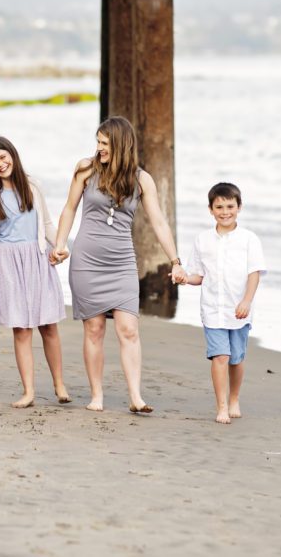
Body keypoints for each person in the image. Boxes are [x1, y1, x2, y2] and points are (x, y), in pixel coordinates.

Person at [51, 116, 184, 413]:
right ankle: (96, 395)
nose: (99, 149)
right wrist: (60, 244)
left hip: (122, 262)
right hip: (87, 260)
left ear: (122, 145)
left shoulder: (141, 179)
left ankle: (136, 397)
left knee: (128, 329)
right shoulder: (85, 170)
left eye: (105, 144)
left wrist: (175, 260)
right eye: (97, 142)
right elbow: (69, 208)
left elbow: (159, 222)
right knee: (95, 329)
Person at [0, 136, 70, 408]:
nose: (0, 164)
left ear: (12, 155)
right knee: (22, 330)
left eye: (3, 158)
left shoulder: (33, 186)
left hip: (37, 260)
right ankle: (28, 391)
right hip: (7, 265)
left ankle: (59, 384)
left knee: (49, 325)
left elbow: (48, 224)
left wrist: (61, 246)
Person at [173, 182, 266, 424]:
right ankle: (222, 406)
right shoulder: (203, 240)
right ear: (210, 209)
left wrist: (246, 301)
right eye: (219, 207)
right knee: (220, 357)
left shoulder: (249, 239)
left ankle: (234, 398)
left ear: (239, 207)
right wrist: (184, 278)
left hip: (239, 310)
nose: (225, 212)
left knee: (236, 359)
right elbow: (198, 276)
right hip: (213, 309)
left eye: (230, 206)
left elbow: (254, 274)